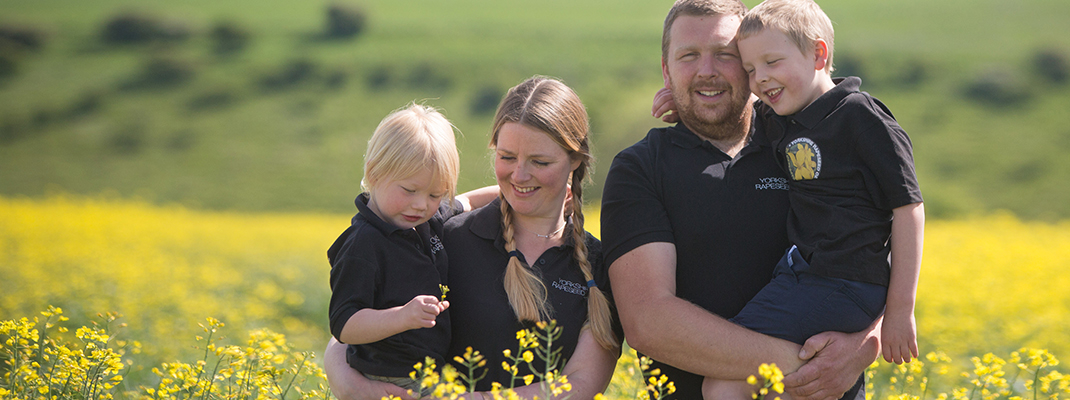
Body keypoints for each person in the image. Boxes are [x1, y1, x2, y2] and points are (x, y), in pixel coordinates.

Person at [602, 1, 885, 399]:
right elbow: (649, 322)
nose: (707, 70)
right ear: (666, 70)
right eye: (689, 56)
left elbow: (873, 253)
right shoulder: (641, 168)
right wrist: (804, 367)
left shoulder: (804, 142)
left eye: (725, 55)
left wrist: (866, 344)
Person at [326, 76, 621, 400]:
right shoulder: (445, 237)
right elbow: (355, 321)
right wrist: (346, 379)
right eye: (507, 157)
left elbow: (579, 385)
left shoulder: (598, 265)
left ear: (575, 159)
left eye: (540, 162)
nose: (519, 176)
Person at [703, 0, 925, 397]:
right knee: (787, 386)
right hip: (805, 278)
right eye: (751, 69)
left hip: (843, 282)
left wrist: (900, 311)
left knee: (724, 379)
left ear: (819, 54)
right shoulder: (782, 117)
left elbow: (908, 208)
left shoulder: (860, 117)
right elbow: (741, 108)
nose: (760, 79)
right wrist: (684, 101)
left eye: (772, 62)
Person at [327, 103, 463, 397]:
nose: (421, 204)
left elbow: (470, 202)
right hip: (392, 377)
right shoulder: (363, 243)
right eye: (409, 190)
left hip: (431, 372)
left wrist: (513, 196)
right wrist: (402, 316)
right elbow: (344, 324)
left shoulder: (426, 220)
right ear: (374, 173)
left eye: (435, 194)